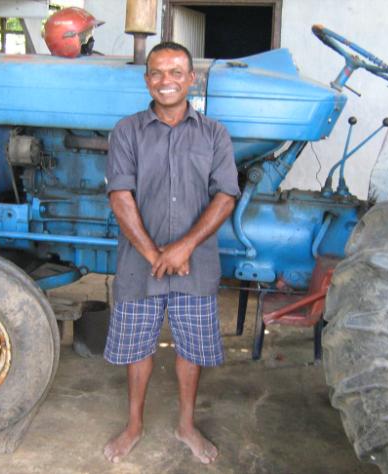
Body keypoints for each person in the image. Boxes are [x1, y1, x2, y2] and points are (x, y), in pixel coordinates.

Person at [103, 42, 240, 464]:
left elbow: (226, 195)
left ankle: (186, 425)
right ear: (147, 80)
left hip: (195, 265)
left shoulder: (214, 134)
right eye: (158, 73)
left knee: (191, 351)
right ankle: (134, 426)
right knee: (137, 350)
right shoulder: (127, 131)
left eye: (176, 72)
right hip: (138, 266)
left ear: (191, 79)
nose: (167, 81)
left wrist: (184, 247)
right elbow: (120, 195)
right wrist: (154, 255)